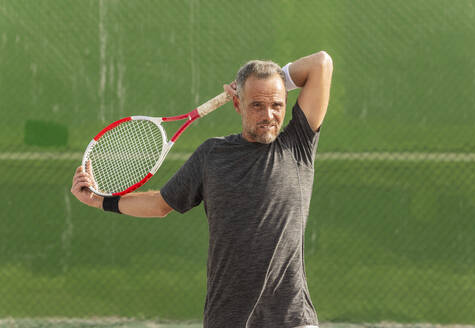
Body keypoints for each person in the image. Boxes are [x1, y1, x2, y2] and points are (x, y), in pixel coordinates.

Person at [71, 51, 333, 328]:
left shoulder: (297, 145)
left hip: (292, 319)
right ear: (237, 104)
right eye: (256, 105)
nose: (269, 115)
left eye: (277, 105)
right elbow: (160, 204)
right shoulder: (212, 155)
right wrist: (100, 201)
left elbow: (321, 63)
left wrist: (275, 81)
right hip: (228, 318)